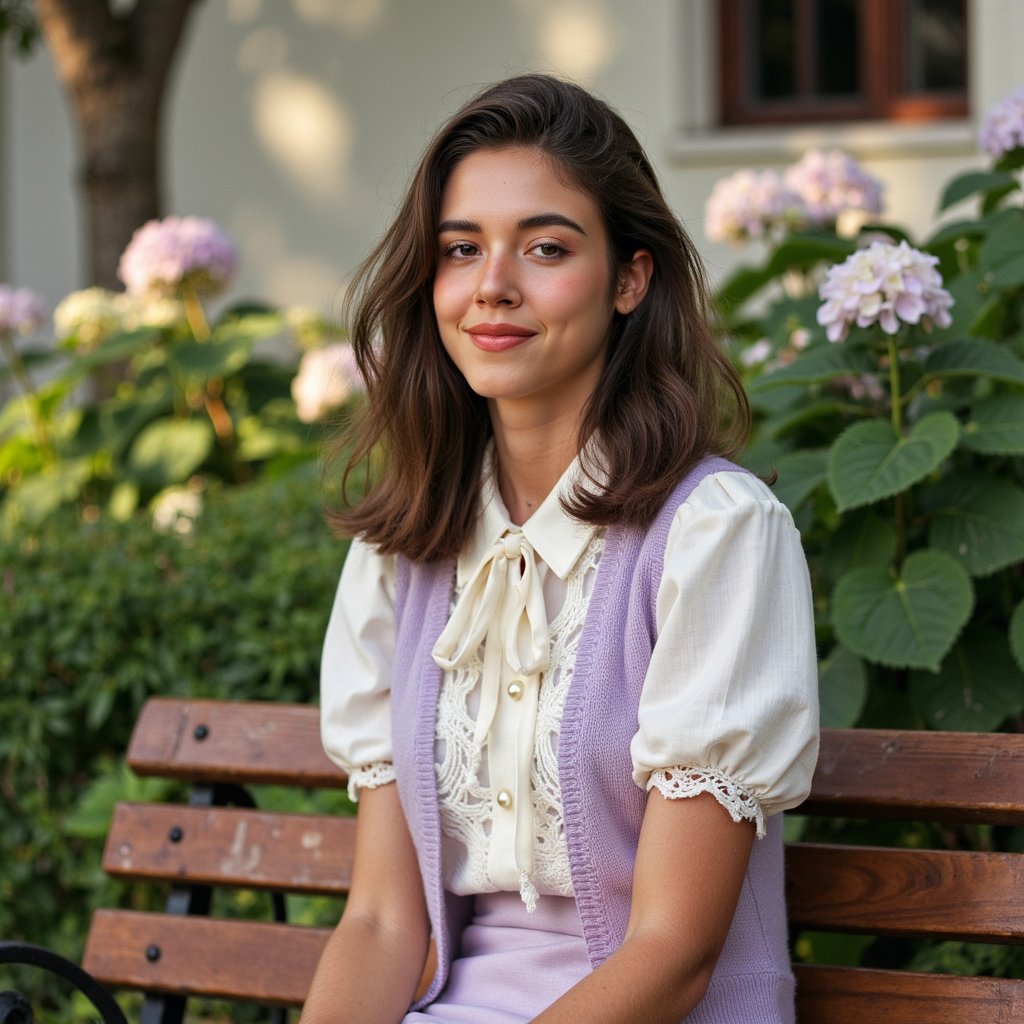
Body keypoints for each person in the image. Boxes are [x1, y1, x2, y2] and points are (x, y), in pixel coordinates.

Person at [301, 74, 818, 1024]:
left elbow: (674, 954)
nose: (493, 285)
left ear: (631, 277)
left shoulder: (713, 536)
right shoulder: (406, 549)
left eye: (545, 247)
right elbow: (381, 923)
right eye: (462, 249)